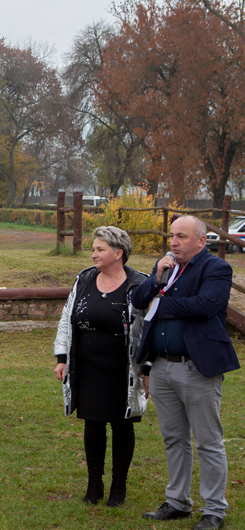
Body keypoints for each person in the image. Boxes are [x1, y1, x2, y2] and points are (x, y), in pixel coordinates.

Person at [132, 215, 239, 530]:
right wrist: (155, 281)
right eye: (171, 236)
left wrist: (162, 304)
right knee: (174, 438)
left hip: (197, 366)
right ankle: (178, 502)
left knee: (208, 440)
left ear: (201, 241)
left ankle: (214, 510)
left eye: (181, 236)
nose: (173, 242)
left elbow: (206, 305)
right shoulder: (164, 265)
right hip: (163, 365)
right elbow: (139, 301)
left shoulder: (216, 269)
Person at [53, 226, 149, 507]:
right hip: (88, 367)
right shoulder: (84, 279)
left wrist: (147, 370)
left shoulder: (139, 285)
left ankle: (118, 487)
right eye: (93, 249)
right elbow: (66, 317)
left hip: (123, 370)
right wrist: (62, 358)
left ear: (118, 254)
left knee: (122, 426)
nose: (93, 254)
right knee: (93, 424)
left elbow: (148, 329)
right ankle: (94, 484)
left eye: (100, 249)